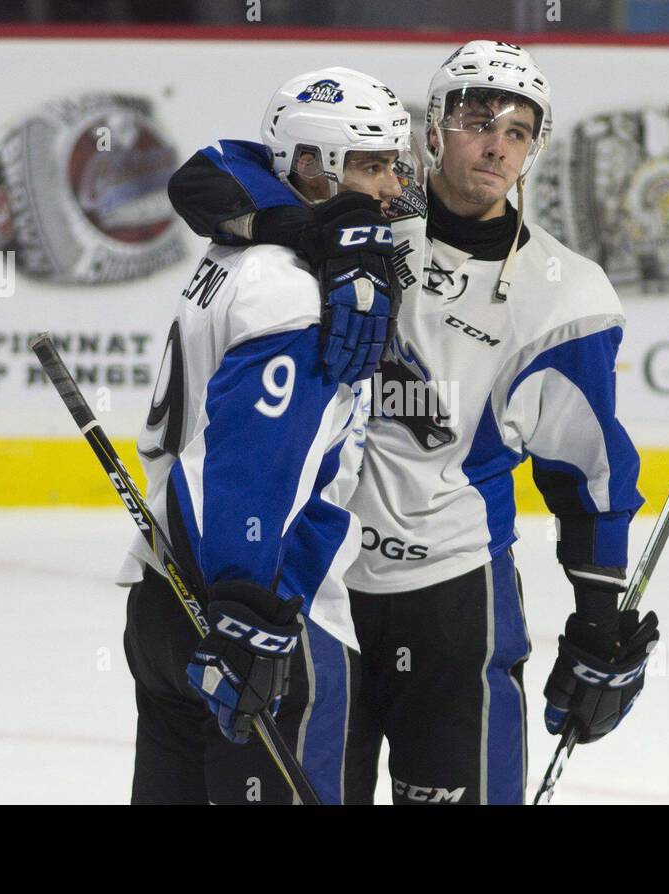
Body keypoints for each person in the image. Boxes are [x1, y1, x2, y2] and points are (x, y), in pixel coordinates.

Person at [167, 40, 660, 805]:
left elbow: (589, 475)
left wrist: (598, 623)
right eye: (475, 119)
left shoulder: (569, 296)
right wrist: (314, 230)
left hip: (457, 598)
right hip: (323, 591)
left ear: (535, 149)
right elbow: (205, 177)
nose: (496, 144)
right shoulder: (370, 210)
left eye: (518, 130)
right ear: (433, 127)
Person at [116, 66, 408, 805]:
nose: (391, 186)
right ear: (310, 166)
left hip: (166, 599)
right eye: (371, 164)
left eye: (393, 163)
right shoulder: (293, 287)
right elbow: (246, 460)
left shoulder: (237, 251)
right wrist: (250, 611)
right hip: (264, 614)